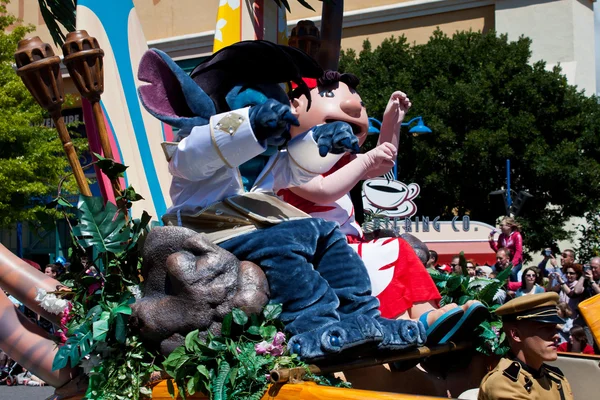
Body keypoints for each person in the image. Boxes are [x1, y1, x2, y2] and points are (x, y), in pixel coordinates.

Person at [138, 43, 426, 361]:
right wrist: (252, 124)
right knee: (281, 248)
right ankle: (313, 326)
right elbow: (209, 147)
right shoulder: (191, 147)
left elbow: (295, 167)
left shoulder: (266, 158)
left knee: (327, 234)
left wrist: (323, 143)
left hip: (259, 225)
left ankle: (362, 318)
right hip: (209, 229)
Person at [276, 71, 487, 345]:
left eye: (359, 105)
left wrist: (392, 121)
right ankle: (398, 328)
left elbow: (384, 162)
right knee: (385, 254)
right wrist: (365, 162)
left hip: (347, 244)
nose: (354, 108)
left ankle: (427, 317)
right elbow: (323, 192)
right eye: (332, 97)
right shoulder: (286, 160)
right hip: (320, 251)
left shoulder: (342, 159)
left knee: (398, 249)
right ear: (294, 107)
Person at [478, 292, 573, 400]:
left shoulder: (555, 378)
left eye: (554, 328)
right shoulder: (504, 384)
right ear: (516, 335)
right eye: (546, 328)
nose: (556, 336)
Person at [488, 217, 523, 282]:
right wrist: (491, 242)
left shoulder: (517, 235)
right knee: (492, 269)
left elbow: (519, 251)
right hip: (503, 261)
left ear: (509, 225)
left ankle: (514, 289)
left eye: (502, 225)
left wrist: (513, 263)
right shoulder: (501, 236)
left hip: (515, 262)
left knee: (512, 272)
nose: (500, 227)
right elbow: (499, 251)